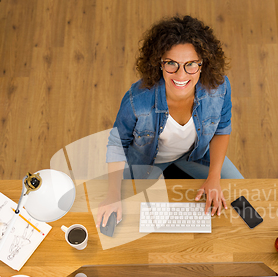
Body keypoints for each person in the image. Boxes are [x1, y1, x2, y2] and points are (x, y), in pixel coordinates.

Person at [96, 15, 243, 229]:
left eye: (191, 64)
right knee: (129, 222)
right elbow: (117, 144)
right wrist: (112, 194)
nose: (181, 75)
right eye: (171, 64)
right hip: (147, 163)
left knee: (243, 195)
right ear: (159, 63)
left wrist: (214, 177)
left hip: (196, 155)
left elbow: (221, 129)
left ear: (203, 64)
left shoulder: (219, 88)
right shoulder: (137, 101)